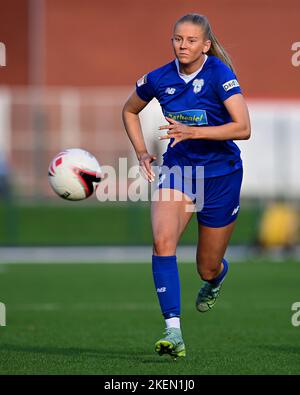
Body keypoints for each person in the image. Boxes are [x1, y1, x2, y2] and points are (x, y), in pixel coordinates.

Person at [122, 13, 251, 359]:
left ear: (205, 45)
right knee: (162, 240)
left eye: (191, 40)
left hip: (222, 175)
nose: (183, 45)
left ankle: (216, 278)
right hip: (179, 171)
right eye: (178, 39)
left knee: (206, 266)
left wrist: (194, 132)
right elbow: (129, 110)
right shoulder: (159, 77)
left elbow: (243, 127)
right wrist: (142, 152)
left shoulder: (219, 75)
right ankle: (173, 331)